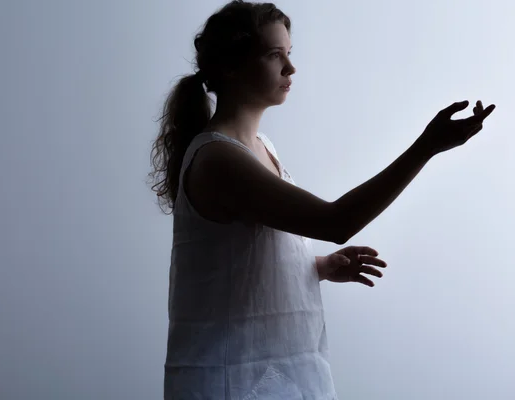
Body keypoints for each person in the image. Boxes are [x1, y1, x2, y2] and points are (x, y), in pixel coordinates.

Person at [148, 1, 496, 399]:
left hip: (266, 373)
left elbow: (239, 263)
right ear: (230, 66)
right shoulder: (218, 159)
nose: (290, 69)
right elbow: (336, 223)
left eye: (289, 54)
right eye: (274, 55)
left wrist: (317, 267)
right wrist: (426, 147)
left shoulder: (260, 147)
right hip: (231, 380)